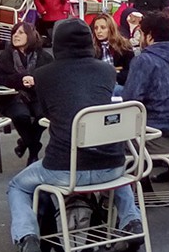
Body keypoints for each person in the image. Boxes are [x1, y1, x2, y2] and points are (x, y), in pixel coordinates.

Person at [8, 18, 143, 252]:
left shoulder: (43, 75)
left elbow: (47, 112)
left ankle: (27, 235)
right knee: (114, 171)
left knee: (17, 186)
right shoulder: (107, 71)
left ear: (57, 43)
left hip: (63, 167)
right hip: (110, 165)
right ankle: (132, 220)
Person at [122, 11, 169, 155]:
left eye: (141, 34)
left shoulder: (144, 60)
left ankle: (135, 176)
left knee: (104, 139)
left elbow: (129, 104)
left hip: (155, 136)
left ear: (149, 36)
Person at [0, 22, 53, 165]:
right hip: (14, 97)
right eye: (14, 33)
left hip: (37, 96)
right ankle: (34, 149)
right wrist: (20, 80)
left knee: (42, 116)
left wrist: (35, 80)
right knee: (21, 115)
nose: (16, 36)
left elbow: (52, 78)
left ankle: (26, 143)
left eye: (20, 33)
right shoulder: (6, 55)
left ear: (30, 36)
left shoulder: (44, 57)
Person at [91, 14, 134, 96]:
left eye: (103, 28)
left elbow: (130, 72)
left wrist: (112, 74)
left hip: (119, 84)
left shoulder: (124, 46)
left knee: (115, 90)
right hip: (99, 86)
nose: (98, 31)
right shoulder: (91, 48)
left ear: (111, 29)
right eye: (96, 28)